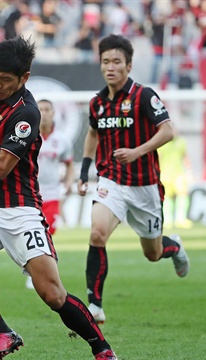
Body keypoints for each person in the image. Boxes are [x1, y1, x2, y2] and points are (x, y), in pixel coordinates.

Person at [0, 36, 118, 360]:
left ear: (24, 78)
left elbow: (2, 168)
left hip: (22, 212)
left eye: (6, 80)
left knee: (52, 294)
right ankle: (2, 331)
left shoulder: (27, 113)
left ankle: (101, 347)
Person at [77, 34, 190, 325]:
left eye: (116, 61)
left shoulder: (144, 95)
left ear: (128, 66)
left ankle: (173, 246)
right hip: (110, 181)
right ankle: (95, 305)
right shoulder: (97, 103)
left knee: (152, 254)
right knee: (97, 233)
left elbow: (167, 130)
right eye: (105, 62)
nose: (110, 67)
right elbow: (92, 134)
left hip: (144, 186)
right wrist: (84, 171)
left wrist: (137, 152)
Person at [25, 99, 74, 290]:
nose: (44, 113)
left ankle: (39, 271)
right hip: (30, 193)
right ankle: (36, 272)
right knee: (34, 233)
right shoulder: (28, 136)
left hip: (52, 193)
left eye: (47, 109)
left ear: (54, 113)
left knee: (48, 231)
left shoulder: (61, 140)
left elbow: (69, 164)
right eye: (40, 109)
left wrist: (69, 183)